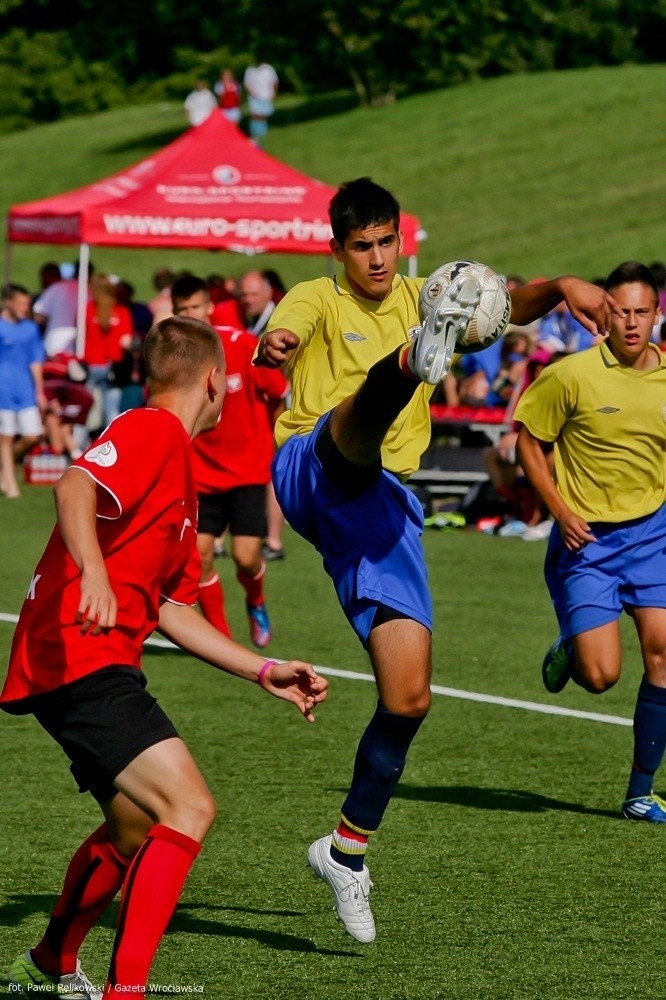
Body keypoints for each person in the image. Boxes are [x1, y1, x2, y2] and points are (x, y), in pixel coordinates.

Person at [255, 176, 618, 942]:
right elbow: (277, 335)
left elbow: (507, 305)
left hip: (386, 509)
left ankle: (346, 851)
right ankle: (405, 366)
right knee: (352, 434)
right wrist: (276, 345)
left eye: (387, 242)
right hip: (310, 466)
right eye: (362, 246)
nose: (378, 258)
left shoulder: (434, 291)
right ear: (338, 250)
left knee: (409, 697)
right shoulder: (316, 298)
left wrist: (564, 286)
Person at [2, 314, 327, 998]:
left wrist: (263, 669)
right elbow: (74, 486)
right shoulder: (152, 429)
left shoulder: (180, 467)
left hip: (80, 656)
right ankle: (127, 991)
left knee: (134, 824)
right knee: (189, 808)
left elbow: (172, 609)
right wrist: (91, 571)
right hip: (79, 650)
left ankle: (49, 964)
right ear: (216, 381)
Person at [514, 261, 666, 822]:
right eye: (620, 310)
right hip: (589, 544)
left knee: (663, 655)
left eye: (641, 312)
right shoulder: (571, 375)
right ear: (607, 312)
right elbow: (527, 443)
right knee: (601, 678)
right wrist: (559, 508)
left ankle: (639, 792)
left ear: (656, 314)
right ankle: (572, 645)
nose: (630, 322)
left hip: (654, 535)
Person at [171, 275, 289, 647]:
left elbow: (278, 393)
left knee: (245, 556)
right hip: (202, 475)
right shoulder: (174, 355)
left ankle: (256, 600)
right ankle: (219, 635)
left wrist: (282, 442)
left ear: (209, 307)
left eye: (194, 307)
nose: (189, 315)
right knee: (199, 557)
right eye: (181, 310)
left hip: (247, 472)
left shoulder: (240, 345)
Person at [0, 283, 46, 498]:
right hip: (3, 389)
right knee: (6, 437)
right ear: (8, 302)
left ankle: (4, 469)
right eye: (20, 303)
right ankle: (10, 484)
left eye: (27, 304)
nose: (24, 307)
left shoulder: (30, 328)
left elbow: (35, 360)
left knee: (32, 435)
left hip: (24, 387)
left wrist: (40, 390)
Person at [243, 57, 278, 145]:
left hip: (266, 96)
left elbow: (275, 82)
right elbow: (246, 83)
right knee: (255, 115)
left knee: (263, 115)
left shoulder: (268, 69)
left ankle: (262, 133)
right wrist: (252, 92)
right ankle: (254, 134)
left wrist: (273, 93)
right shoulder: (250, 70)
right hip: (254, 97)